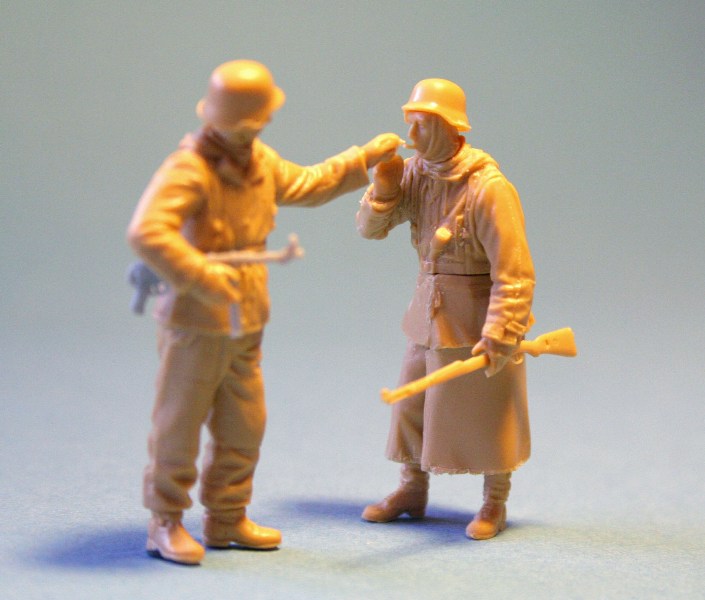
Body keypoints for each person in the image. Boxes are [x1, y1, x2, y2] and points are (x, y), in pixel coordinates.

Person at [127, 60, 401, 564]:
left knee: (245, 423)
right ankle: (165, 520)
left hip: (246, 315)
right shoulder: (189, 169)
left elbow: (308, 183)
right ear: (243, 120)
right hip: (195, 320)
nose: (268, 122)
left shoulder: (259, 161)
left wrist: (361, 159)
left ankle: (227, 516)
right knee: (179, 424)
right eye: (261, 116)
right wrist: (202, 276)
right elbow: (147, 231)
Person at [356, 78, 535, 540]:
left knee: (489, 410)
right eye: (410, 124)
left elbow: (514, 272)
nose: (411, 136)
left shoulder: (488, 188)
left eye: (421, 125)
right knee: (413, 404)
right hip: (428, 313)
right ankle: (411, 488)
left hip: (476, 316)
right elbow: (370, 230)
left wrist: (501, 331)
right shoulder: (415, 174)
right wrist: (384, 190)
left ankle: (494, 501)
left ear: (449, 127)